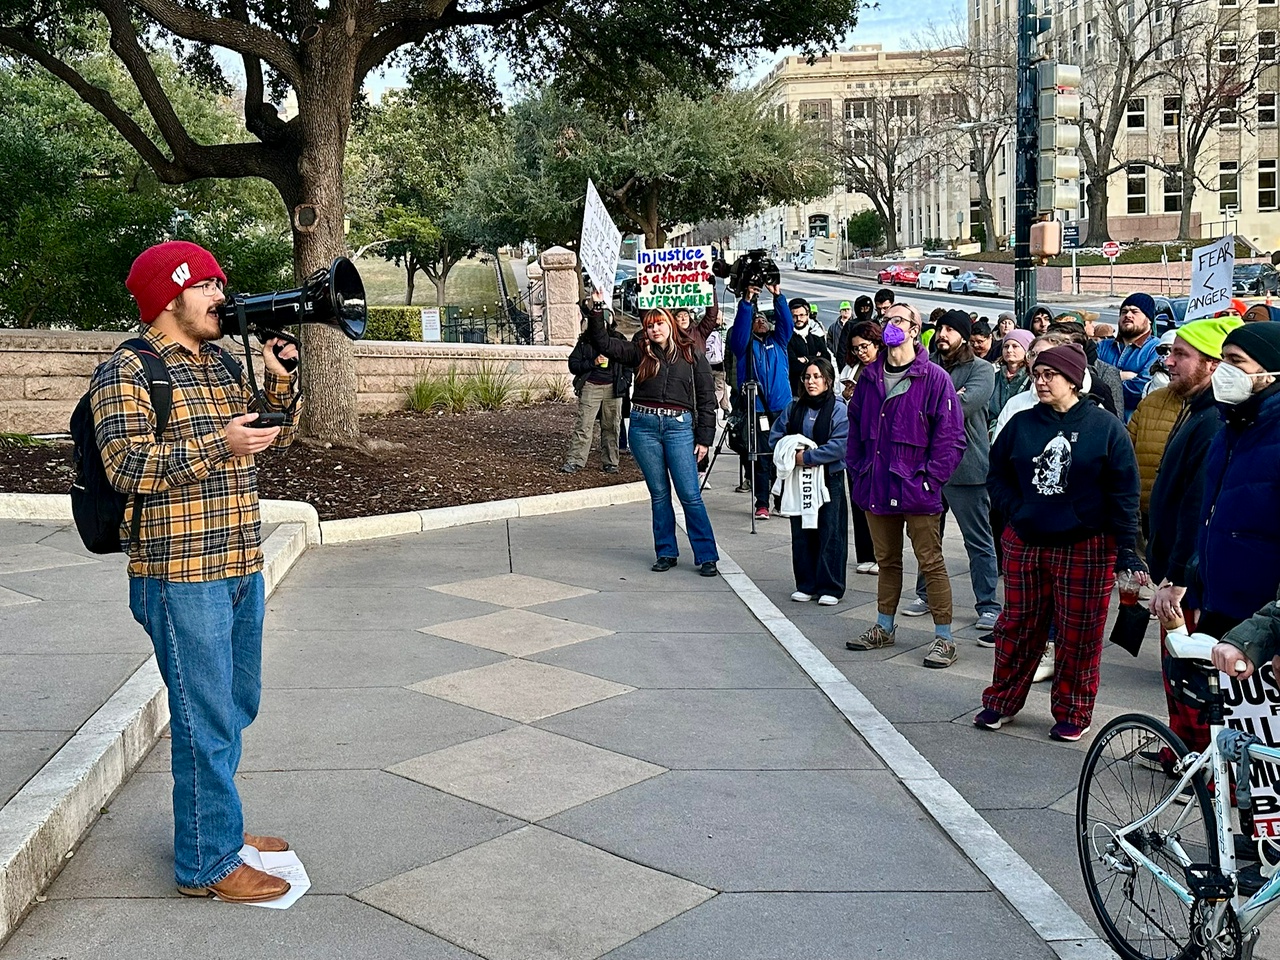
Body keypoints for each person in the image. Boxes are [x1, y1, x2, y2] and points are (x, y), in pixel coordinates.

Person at [91, 241, 300, 903]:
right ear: (170, 295)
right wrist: (221, 443)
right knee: (203, 717)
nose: (222, 294)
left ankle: (220, 828)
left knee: (235, 705)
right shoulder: (126, 370)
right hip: (180, 574)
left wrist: (277, 383)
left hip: (239, 563)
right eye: (208, 283)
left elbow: (270, 439)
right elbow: (125, 464)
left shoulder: (217, 362)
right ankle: (207, 863)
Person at [975, 343, 1144, 742]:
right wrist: (1017, 510)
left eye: (1050, 374)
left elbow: (1125, 492)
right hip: (1027, 540)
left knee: (1079, 632)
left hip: (1086, 545)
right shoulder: (1022, 423)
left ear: (1073, 379)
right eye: (1038, 373)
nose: (1041, 380)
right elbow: (996, 474)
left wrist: (1126, 550)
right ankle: (1001, 700)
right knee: (1016, 626)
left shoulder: (1105, 428)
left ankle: (1073, 710)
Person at [843, 302, 966, 669]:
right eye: (886, 319)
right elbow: (855, 433)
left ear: (915, 329)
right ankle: (884, 626)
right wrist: (858, 471)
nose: (890, 325)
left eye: (898, 319)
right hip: (876, 486)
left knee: (931, 562)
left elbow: (951, 438)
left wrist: (931, 481)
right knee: (886, 561)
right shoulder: (868, 378)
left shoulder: (934, 378)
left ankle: (944, 638)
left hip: (916, 489)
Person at [1144, 318, 1241, 754]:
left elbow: (1197, 505)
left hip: (1192, 580)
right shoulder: (1197, 408)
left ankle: (1197, 756)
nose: (1169, 362)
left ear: (1212, 364)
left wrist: (1180, 575)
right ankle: (1179, 746)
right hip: (1178, 568)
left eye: (1181, 355)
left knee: (1193, 674)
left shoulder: (1212, 421)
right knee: (1178, 669)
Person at [587, 296, 720, 576]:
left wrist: (705, 439)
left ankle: (706, 555)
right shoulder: (640, 352)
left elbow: (707, 399)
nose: (655, 330)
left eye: (659, 324)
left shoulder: (692, 353)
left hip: (679, 428)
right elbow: (605, 344)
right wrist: (597, 310)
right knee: (659, 494)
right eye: (649, 326)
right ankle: (666, 552)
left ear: (670, 324)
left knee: (689, 494)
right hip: (644, 426)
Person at [901, 310, 1001, 636]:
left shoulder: (982, 370)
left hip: (967, 470)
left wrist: (926, 404)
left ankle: (988, 606)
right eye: (940, 328)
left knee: (979, 542)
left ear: (963, 335)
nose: (942, 334)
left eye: (949, 329)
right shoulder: (924, 366)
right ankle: (925, 594)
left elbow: (959, 408)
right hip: (927, 469)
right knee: (927, 538)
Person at [1189, 322, 1280, 657]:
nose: (1223, 370)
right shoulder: (1230, 427)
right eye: (1222, 359)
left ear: (1270, 370)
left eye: (1236, 361)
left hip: (1265, 623)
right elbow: (1212, 514)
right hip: (1220, 608)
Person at [769, 357, 850, 605]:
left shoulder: (838, 408)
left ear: (828, 380)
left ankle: (830, 586)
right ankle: (806, 583)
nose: (811, 382)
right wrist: (792, 455)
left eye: (816, 377)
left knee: (830, 531)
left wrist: (808, 456)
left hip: (828, 478)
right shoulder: (793, 407)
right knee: (802, 532)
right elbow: (776, 438)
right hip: (799, 480)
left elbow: (840, 445)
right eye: (807, 377)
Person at [729, 281, 795, 520]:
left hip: (782, 409)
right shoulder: (744, 347)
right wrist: (746, 303)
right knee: (761, 458)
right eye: (756, 320)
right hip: (757, 410)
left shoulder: (779, 342)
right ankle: (762, 503)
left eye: (764, 319)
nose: (761, 321)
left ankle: (782, 500)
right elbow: (738, 332)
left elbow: (786, 323)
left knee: (783, 456)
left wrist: (778, 296)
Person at [835, 320, 883, 575]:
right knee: (858, 497)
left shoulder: (886, 368)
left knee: (878, 499)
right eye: (855, 349)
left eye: (864, 347)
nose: (861, 352)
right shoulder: (851, 369)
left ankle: (880, 553)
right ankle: (865, 553)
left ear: (877, 344)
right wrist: (847, 396)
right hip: (855, 439)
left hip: (879, 440)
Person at [563, 309, 631, 475]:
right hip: (591, 386)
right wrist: (593, 362)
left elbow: (629, 361)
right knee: (584, 425)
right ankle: (575, 461)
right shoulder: (585, 341)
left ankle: (611, 462)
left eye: (604, 322)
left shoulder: (618, 339)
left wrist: (625, 381)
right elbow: (574, 365)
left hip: (613, 389)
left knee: (611, 426)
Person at [1126, 383, 1182, 549]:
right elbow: (1125, 454)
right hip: (1145, 515)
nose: (1168, 361)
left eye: (1182, 355)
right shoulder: (1152, 400)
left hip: (1187, 519)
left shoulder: (1222, 409)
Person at [1096, 292, 1161, 421]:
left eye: (1134, 312)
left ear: (1149, 319)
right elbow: (1087, 380)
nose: (1128, 315)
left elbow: (1141, 390)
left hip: (1133, 428)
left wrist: (1104, 380)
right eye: (1124, 312)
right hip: (1100, 424)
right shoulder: (1103, 346)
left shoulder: (1156, 349)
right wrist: (1119, 376)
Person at [989, 330, 1034, 435]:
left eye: (1015, 346)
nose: (1009, 350)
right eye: (1006, 346)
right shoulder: (993, 376)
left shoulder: (1032, 380)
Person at [786, 297, 832, 397]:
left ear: (808, 316)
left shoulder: (816, 337)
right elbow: (793, 366)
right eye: (795, 316)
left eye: (802, 315)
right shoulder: (787, 340)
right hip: (797, 394)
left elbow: (827, 360)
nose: (798, 319)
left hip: (818, 392)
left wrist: (806, 359)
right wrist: (816, 359)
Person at [1142, 330, 1176, 397]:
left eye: (1171, 349)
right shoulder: (1148, 386)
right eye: (1162, 350)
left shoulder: (1187, 382)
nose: (1167, 353)